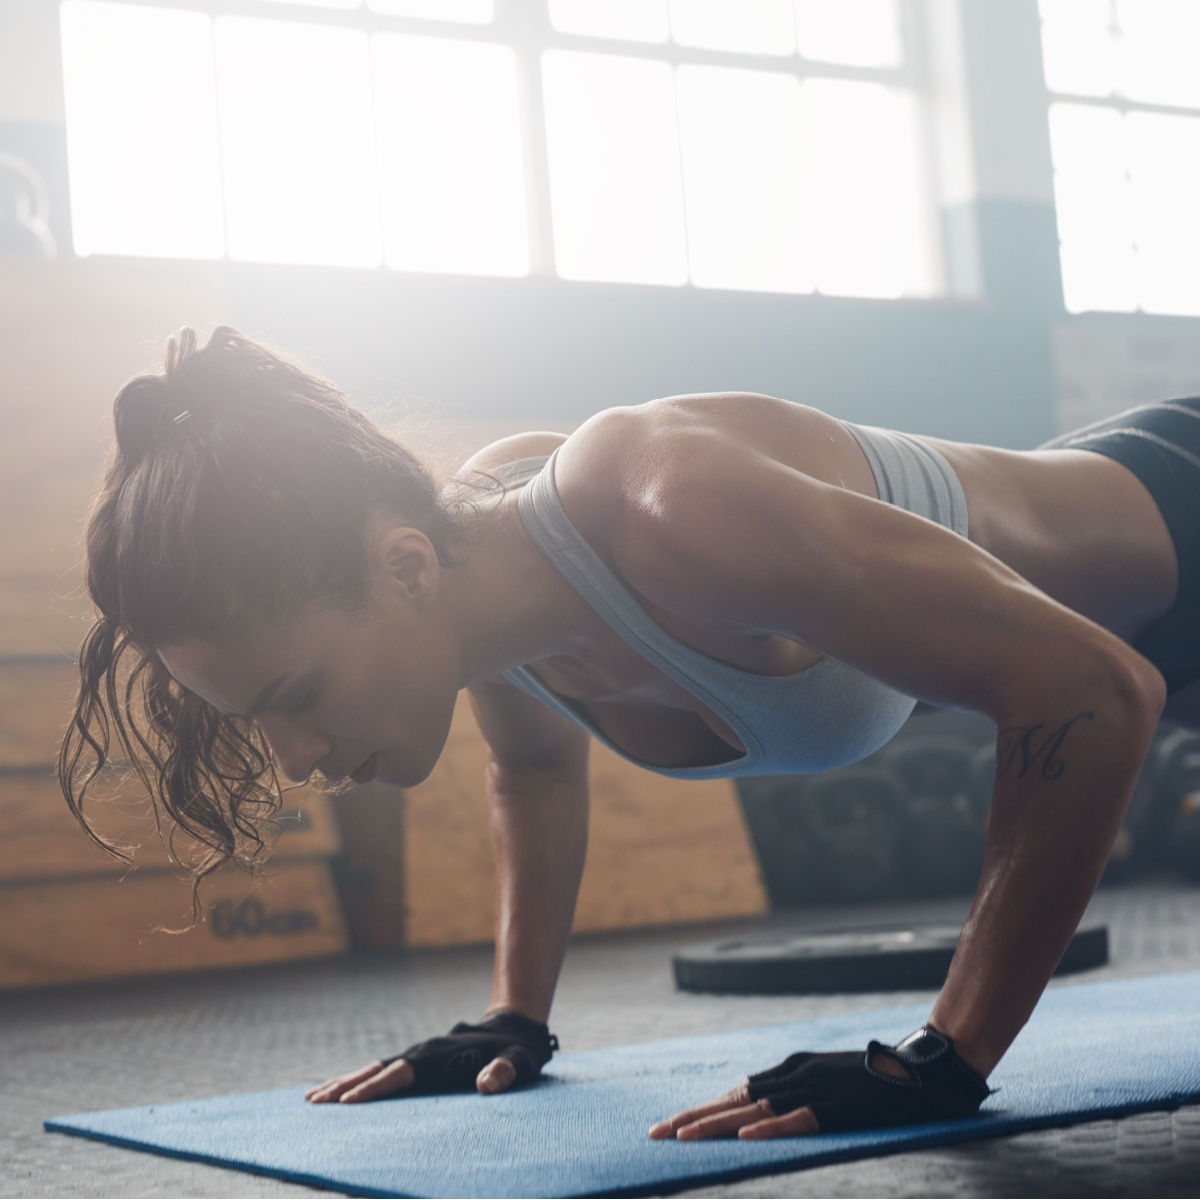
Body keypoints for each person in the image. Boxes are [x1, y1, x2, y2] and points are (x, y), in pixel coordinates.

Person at [60, 325, 1198, 1140]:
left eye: (293, 696)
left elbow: (1093, 688)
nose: (294, 761)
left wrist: (945, 1057)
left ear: (404, 567)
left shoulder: (667, 508)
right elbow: (532, 774)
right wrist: (517, 1017)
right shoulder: (479, 586)